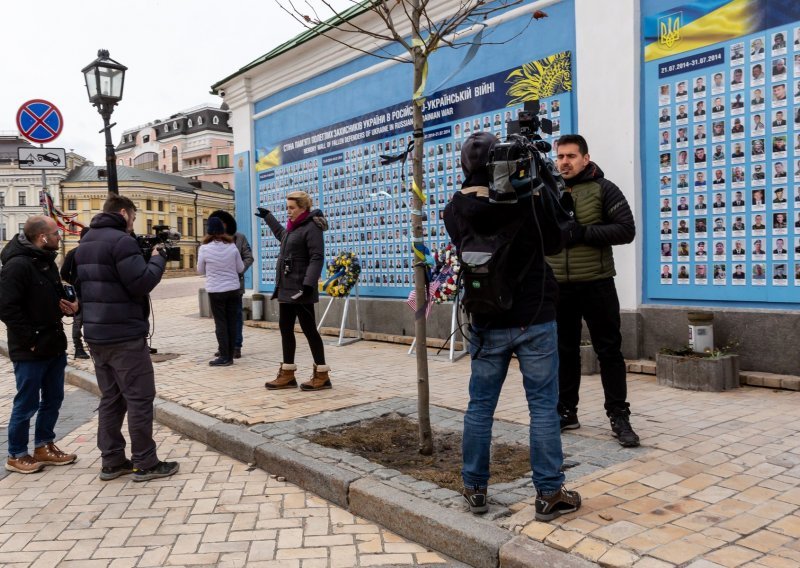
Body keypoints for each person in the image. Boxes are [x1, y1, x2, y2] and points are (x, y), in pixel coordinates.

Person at [443, 131, 581, 520]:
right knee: (542, 408)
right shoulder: (528, 200)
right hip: (535, 317)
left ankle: (474, 487)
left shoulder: (454, 208)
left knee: (480, 407)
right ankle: (550, 494)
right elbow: (557, 241)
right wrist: (540, 185)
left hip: (487, 319)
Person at [75, 194, 179, 482]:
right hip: (123, 335)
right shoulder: (121, 241)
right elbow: (141, 282)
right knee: (139, 398)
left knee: (112, 397)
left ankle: (112, 461)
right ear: (123, 213)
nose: (133, 224)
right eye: (133, 218)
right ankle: (145, 462)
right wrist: (158, 260)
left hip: (97, 334)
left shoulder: (86, 242)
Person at [549, 134, 638, 447]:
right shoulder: (548, 191)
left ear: (585, 158)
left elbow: (626, 230)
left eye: (571, 156)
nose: (564, 162)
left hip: (597, 283)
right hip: (559, 286)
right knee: (565, 351)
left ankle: (618, 414)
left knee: (609, 351)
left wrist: (583, 232)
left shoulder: (604, 188)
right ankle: (566, 411)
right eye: (560, 156)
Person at [0, 216, 79, 474]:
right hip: (31, 348)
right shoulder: (17, 266)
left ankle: (44, 445)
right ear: (42, 237)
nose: (60, 237)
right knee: (27, 403)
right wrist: (30, 340)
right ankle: (16, 454)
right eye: (56, 233)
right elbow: (7, 308)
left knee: (53, 398)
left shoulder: (46, 262)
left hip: (53, 343)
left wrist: (67, 306)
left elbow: (49, 297)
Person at [256, 192, 332, 391]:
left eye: (291, 208)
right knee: (285, 328)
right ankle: (288, 374)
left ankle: (322, 375)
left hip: (301, 289)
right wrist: (269, 217)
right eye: (287, 207)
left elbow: (317, 257)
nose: (288, 211)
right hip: (287, 286)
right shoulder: (293, 228)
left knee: (309, 330)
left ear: (303, 208)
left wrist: (309, 282)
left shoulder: (311, 227)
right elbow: (283, 237)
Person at [198, 217, 244, 366]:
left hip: (216, 290)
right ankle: (230, 355)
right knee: (232, 322)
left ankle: (224, 357)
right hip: (233, 289)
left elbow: (200, 270)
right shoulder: (232, 246)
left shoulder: (204, 248)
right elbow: (240, 268)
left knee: (221, 323)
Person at [208, 210, 254, 359]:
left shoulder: (239, 238)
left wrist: (237, 269)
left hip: (235, 284)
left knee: (235, 316)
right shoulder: (211, 240)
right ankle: (224, 347)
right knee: (221, 319)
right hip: (217, 286)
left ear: (227, 224)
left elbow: (249, 257)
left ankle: (236, 346)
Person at [59, 227, 90, 360]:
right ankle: (78, 348)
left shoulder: (95, 252)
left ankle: (91, 345)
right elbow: (64, 273)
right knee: (78, 320)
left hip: (95, 292)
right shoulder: (73, 253)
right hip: (80, 292)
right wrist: (76, 282)